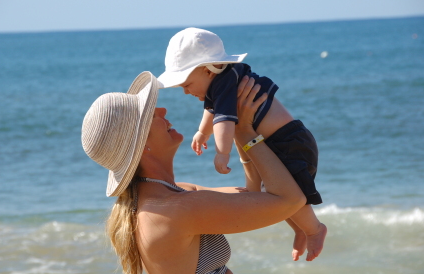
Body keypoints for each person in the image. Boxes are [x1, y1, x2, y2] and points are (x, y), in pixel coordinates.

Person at [81, 71, 306, 274]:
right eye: (151, 115)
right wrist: (245, 131)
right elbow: (289, 200)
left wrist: (237, 129)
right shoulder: (176, 208)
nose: (162, 110)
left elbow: (254, 195)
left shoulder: (173, 196)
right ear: (142, 146)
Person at [157, 27, 327, 261]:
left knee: (283, 194)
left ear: (207, 70)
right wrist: (201, 132)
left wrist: (222, 153)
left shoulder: (223, 83)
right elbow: (213, 109)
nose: (185, 92)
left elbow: (224, 119)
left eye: (186, 84)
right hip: (281, 140)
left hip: (288, 142)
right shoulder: (224, 79)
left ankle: (314, 229)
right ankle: (300, 228)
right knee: (275, 193)